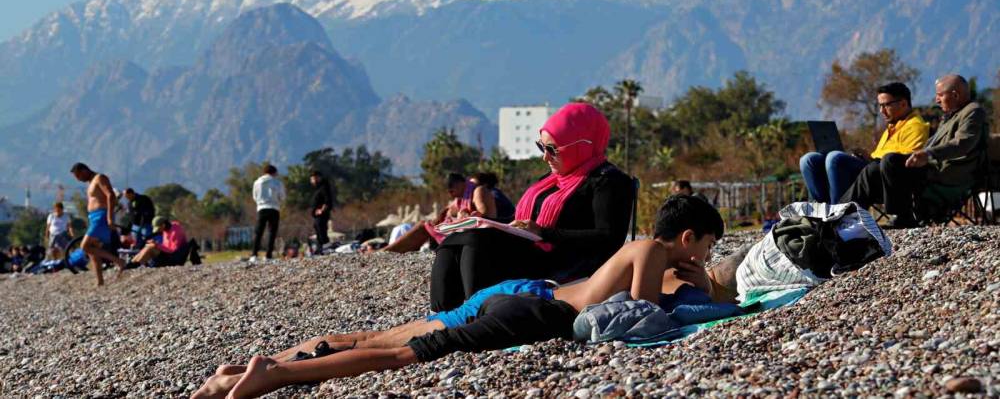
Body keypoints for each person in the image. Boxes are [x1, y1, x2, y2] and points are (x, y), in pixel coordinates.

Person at [190, 195, 722, 399]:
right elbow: (639, 317)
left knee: (375, 335)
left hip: (513, 292)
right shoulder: (652, 249)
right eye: (706, 246)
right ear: (688, 237)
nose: (703, 256)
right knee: (401, 356)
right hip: (536, 311)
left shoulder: (653, 254)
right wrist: (696, 282)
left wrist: (690, 278)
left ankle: (238, 372)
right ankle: (274, 375)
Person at [430, 102, 634, 311]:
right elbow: (521, 222)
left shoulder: (608, 182)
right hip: (534, 251)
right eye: (542, 147)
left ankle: (474, 313)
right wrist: (481, 221)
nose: (545, 156)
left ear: (581, 145)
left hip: (563, 263)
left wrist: (545, 233)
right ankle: (440, 314)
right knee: (456, 238)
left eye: (553, 150)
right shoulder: (552, 179)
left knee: (475, 241)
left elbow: (608, 238)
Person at [841, 75, 987, 226]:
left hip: (947, 172)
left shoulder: (973, 112)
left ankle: (901, 217)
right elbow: (932, 144)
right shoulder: (950, 116)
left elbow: (962, 143)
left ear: (955, 95)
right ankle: (842, 216)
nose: (936, 100)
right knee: (872, 170)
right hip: (929, 169)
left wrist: (928, 154)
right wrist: (913, 155)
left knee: (890, 160)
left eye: (940, 95)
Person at [801, 82, 929, 203]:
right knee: (809, 159)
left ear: (903, 104)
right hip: (871, 169)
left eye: (886, 105)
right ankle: (820, 213)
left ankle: (839, 213)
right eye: (880, 105)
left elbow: (904, 161)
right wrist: (868, 156)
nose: (881, 111)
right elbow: (881, 156)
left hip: (885, 178)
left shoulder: (916, 126)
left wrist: (871, 161)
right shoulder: (892, 127)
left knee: (835, 158)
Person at [70, 162, 126, 286]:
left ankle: (119, 261)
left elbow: (110, 195)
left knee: (85, 246)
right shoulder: (90, 182)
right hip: (93, 217)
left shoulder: (100, 178)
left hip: (101, 216)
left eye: (79, 176)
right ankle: (100, 281)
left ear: (84, 170)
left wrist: (110, 217)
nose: (79, 180)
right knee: (93, 251)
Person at [251, 164, 285, 261]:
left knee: (258, 232)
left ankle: (254, 255)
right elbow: (282, 196)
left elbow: (255, 196)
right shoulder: (278, 183)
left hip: (261, 208)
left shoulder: (257, 182)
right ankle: (268, 255)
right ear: (274, 172)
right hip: (274, 208)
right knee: (272, 232)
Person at [308, 171, 336, 254]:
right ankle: (320, 249)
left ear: (318, 178)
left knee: (322, 231)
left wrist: (322, 210)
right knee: (318, 231)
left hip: (322, 215)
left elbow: (327, 201)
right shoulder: (318, 189)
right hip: (317, 216)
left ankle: (326, 248)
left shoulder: (324, 187)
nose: (312, 181)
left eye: (313, 179)